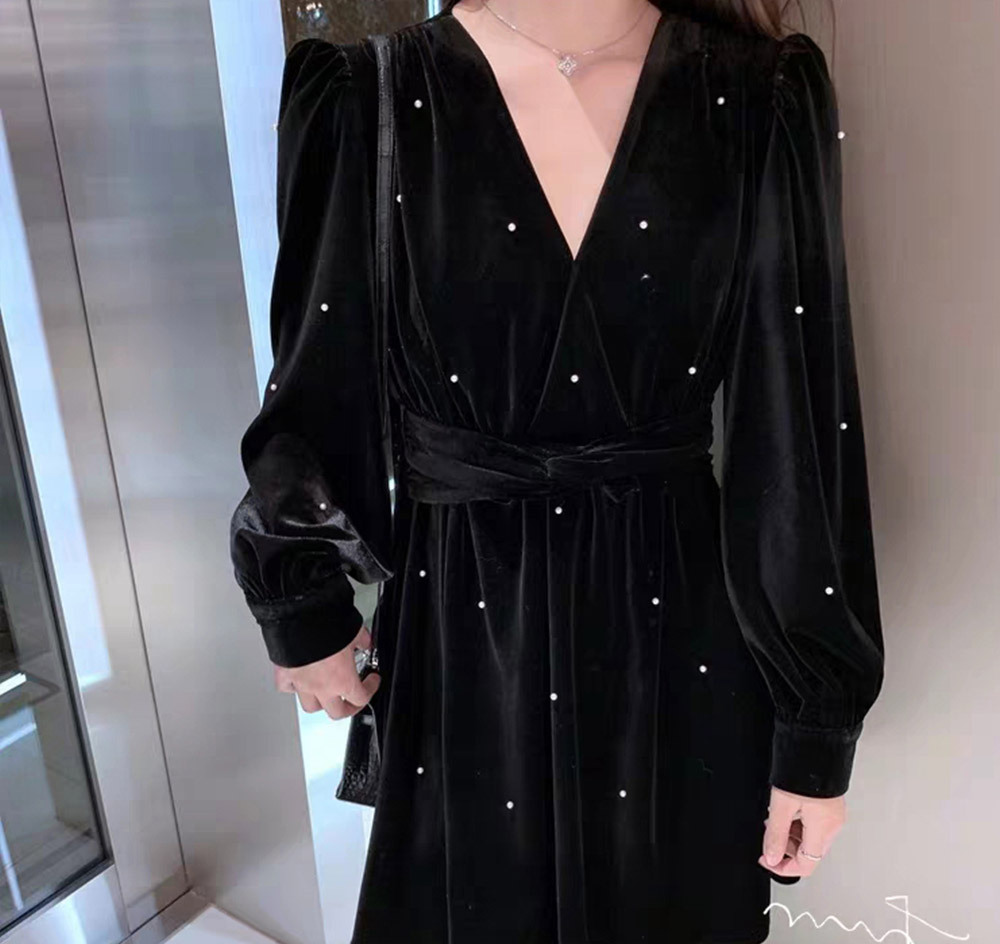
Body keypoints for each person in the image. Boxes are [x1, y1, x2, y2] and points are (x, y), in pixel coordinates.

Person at [228, 0, 886, 940]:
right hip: (463, 628)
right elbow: (319, 370)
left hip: (679, 639)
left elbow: (798, 426)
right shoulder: (367, 98)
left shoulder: (756, 96)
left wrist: (815, 724)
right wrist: (301, 599)